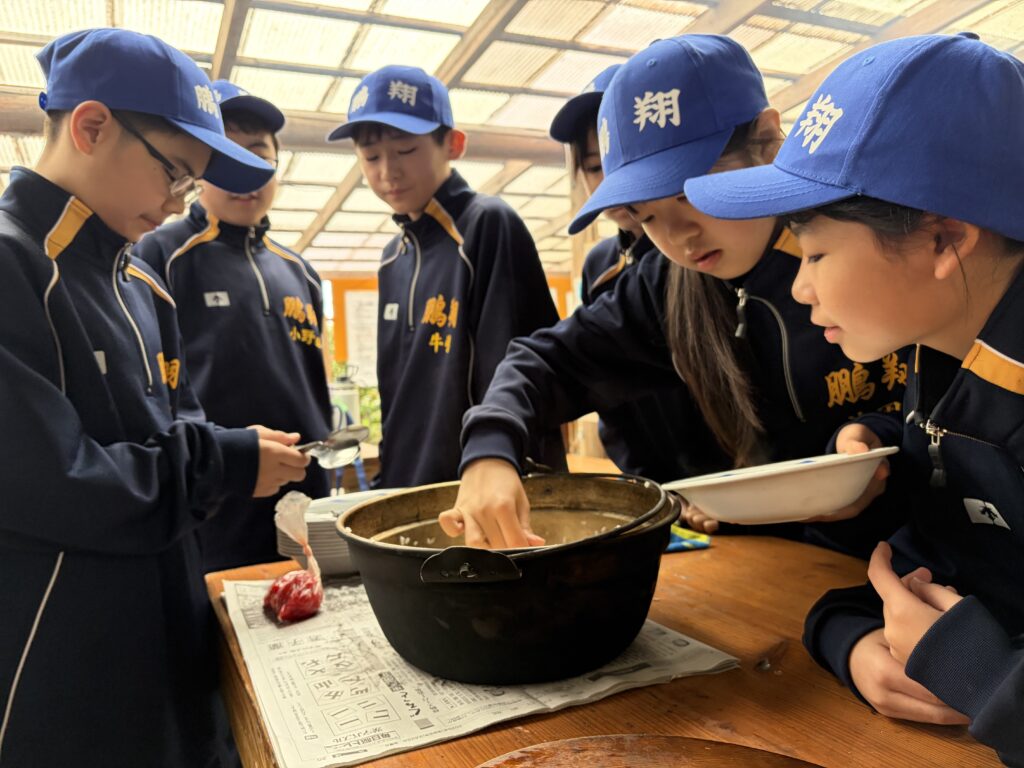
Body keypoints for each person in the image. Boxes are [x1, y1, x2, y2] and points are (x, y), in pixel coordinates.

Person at [684, 32, 1024, 766]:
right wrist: (854, 639)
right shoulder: (941, 366)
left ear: (944, 240)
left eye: (814, 253)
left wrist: (986, 677)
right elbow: (920, 570)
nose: (801, 287)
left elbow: (975, 651)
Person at [439, 34, 905, 552]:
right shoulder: (666, 284)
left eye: (690, 194)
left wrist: (882, 433)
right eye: (646, 215)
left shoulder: (871, 232)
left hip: (923, 557)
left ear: (768, 140)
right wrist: (490, 448)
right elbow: (546, 361)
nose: (678, 237)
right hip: (780, 556)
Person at [0, 29, 308, 766]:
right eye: (173, 172)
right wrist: (222, 463)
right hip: (62, 668)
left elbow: (184, 426)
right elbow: (53, 482)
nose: (177, 203)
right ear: (92, 127)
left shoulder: (141, 282)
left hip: (166, 627)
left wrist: (224, 455)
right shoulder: (13, 265)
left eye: (189, 182)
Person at [327, 65, 564, 488]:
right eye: (371, 156)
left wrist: (507, 465)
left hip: (481, 482)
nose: (388, 171)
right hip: (411, 485)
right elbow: (395, 388)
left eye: (405, 150)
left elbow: (515, 369)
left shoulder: (487, 225)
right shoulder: (392, 258)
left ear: (453, 145)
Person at [136, 79, 332, 571]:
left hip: (307, 493)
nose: (245, 173)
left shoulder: (300, 270)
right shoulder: (159, 255)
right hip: (218, 501)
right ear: (199, 167)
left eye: (258, 155)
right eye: (225, 156)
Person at [549, 65, 725, 481]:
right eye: (595, 166)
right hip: (652, 480)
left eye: (625, 159)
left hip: (725, 474)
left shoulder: (704, 250)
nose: (611, 180)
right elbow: (602, 374)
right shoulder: (599, 263)